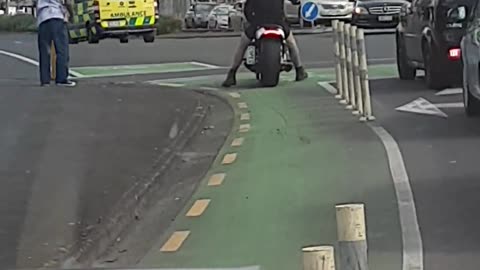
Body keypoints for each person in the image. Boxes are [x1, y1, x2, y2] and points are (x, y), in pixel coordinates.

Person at [222, 0, 308, 87]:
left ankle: (232, 74)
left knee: (243, 45)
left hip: (258, 23)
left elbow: (248, 10)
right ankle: (299, 70)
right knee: (291, 43)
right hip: (277, 23)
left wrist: (251, 21)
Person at [36, 0, 76, 87]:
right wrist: (71, 15)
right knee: (62, 49)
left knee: (44, 50)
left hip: (43, 18)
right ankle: (61, 78)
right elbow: (68, 2)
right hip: (57, 15)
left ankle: (45, 80)